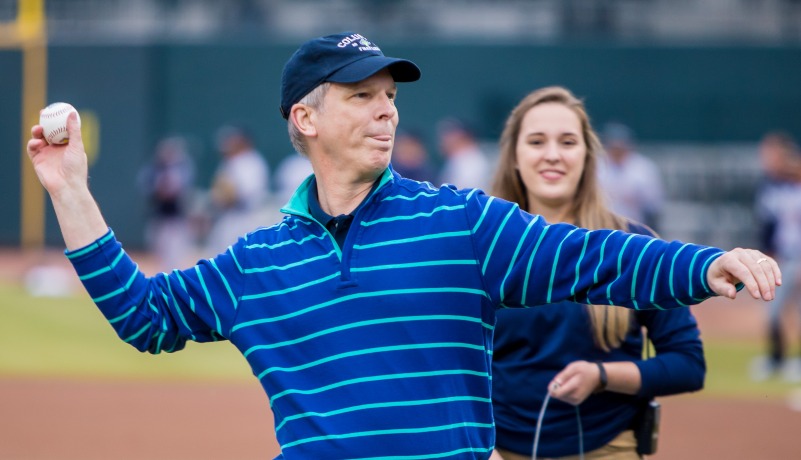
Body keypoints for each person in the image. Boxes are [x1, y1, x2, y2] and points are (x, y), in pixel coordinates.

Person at [26, 31, 780, 459]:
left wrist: (703, 264)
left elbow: (593, 255)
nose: (386, 113)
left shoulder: (459, 222)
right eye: (362, 97)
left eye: (391, 97)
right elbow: (144, 315)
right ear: (306, 120)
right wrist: (69, 192)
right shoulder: (256, 264)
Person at [489, 86, 705, 460]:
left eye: (568, 142)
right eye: (537, 141)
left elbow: (688, 364)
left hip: (607, 447)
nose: (553, 155)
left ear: (588, 156)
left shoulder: (631, 245)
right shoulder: (483, 246)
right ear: (514, 157)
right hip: (496, 450)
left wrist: (603, 375)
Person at [750, 131, 801, 382]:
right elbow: (768, 224)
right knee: (774, 310)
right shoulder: (771, 186)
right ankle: (776, 359)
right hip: (781, 256)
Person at [204, 123, 270, 255]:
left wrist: (224, 197)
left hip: (245, 217)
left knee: (237, 257)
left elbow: (243, 194)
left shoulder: (250, 162)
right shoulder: (230, 162)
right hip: (229, 217)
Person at [136, 135, 197, 271]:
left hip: (177, 219)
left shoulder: (183, 169)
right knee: (160, 254)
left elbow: (182, 192)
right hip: (159, 217)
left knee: (176, 256)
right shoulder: (154, 170)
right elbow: (147, 188)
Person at [597, 122, 664, 231]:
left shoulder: (643, 168)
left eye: (620, 146)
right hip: (602, 226)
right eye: (614, 147)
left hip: (635, 227)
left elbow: (654, 206)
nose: (617, 151)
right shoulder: (596, 166)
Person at [437, 116, 493, 190]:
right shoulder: (458, 159)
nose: (444, 139)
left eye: (450, 134)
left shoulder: (471, 161)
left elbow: (462, 195)